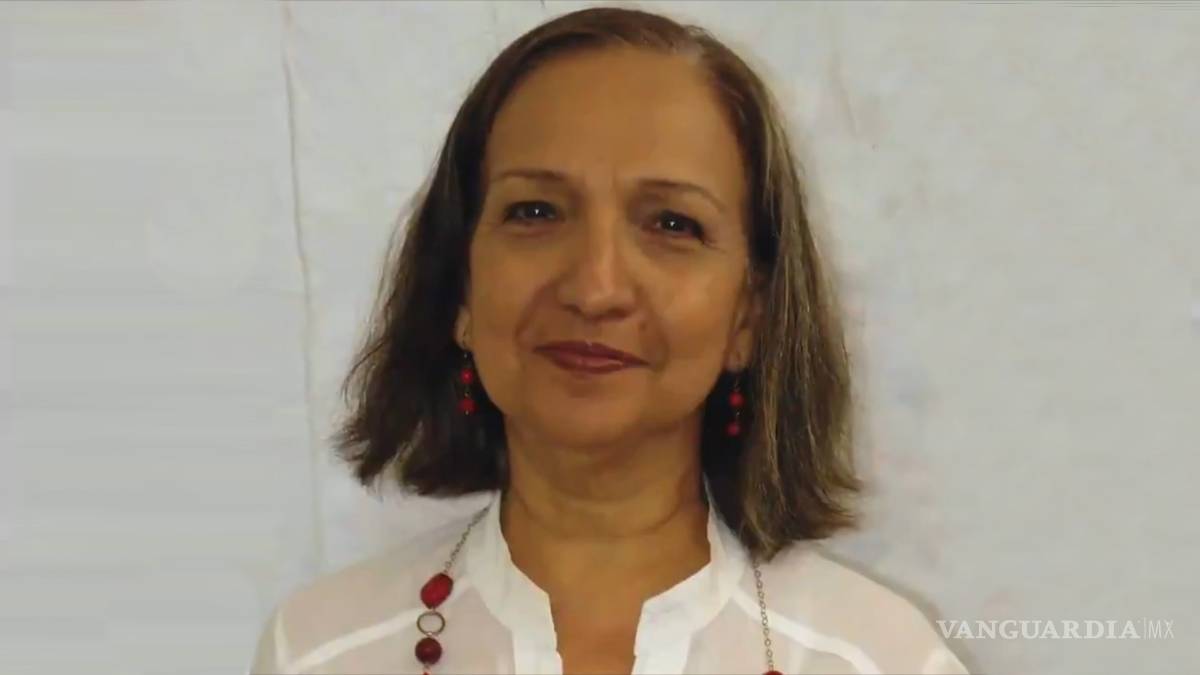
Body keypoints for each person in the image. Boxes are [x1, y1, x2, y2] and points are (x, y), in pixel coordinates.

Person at [250, 6, 969, 675]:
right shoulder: (319, 652)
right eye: (536, 211)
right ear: (461, 288)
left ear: (749, 316)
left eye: (672, 224)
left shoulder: (882, 660)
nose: (595, 289)